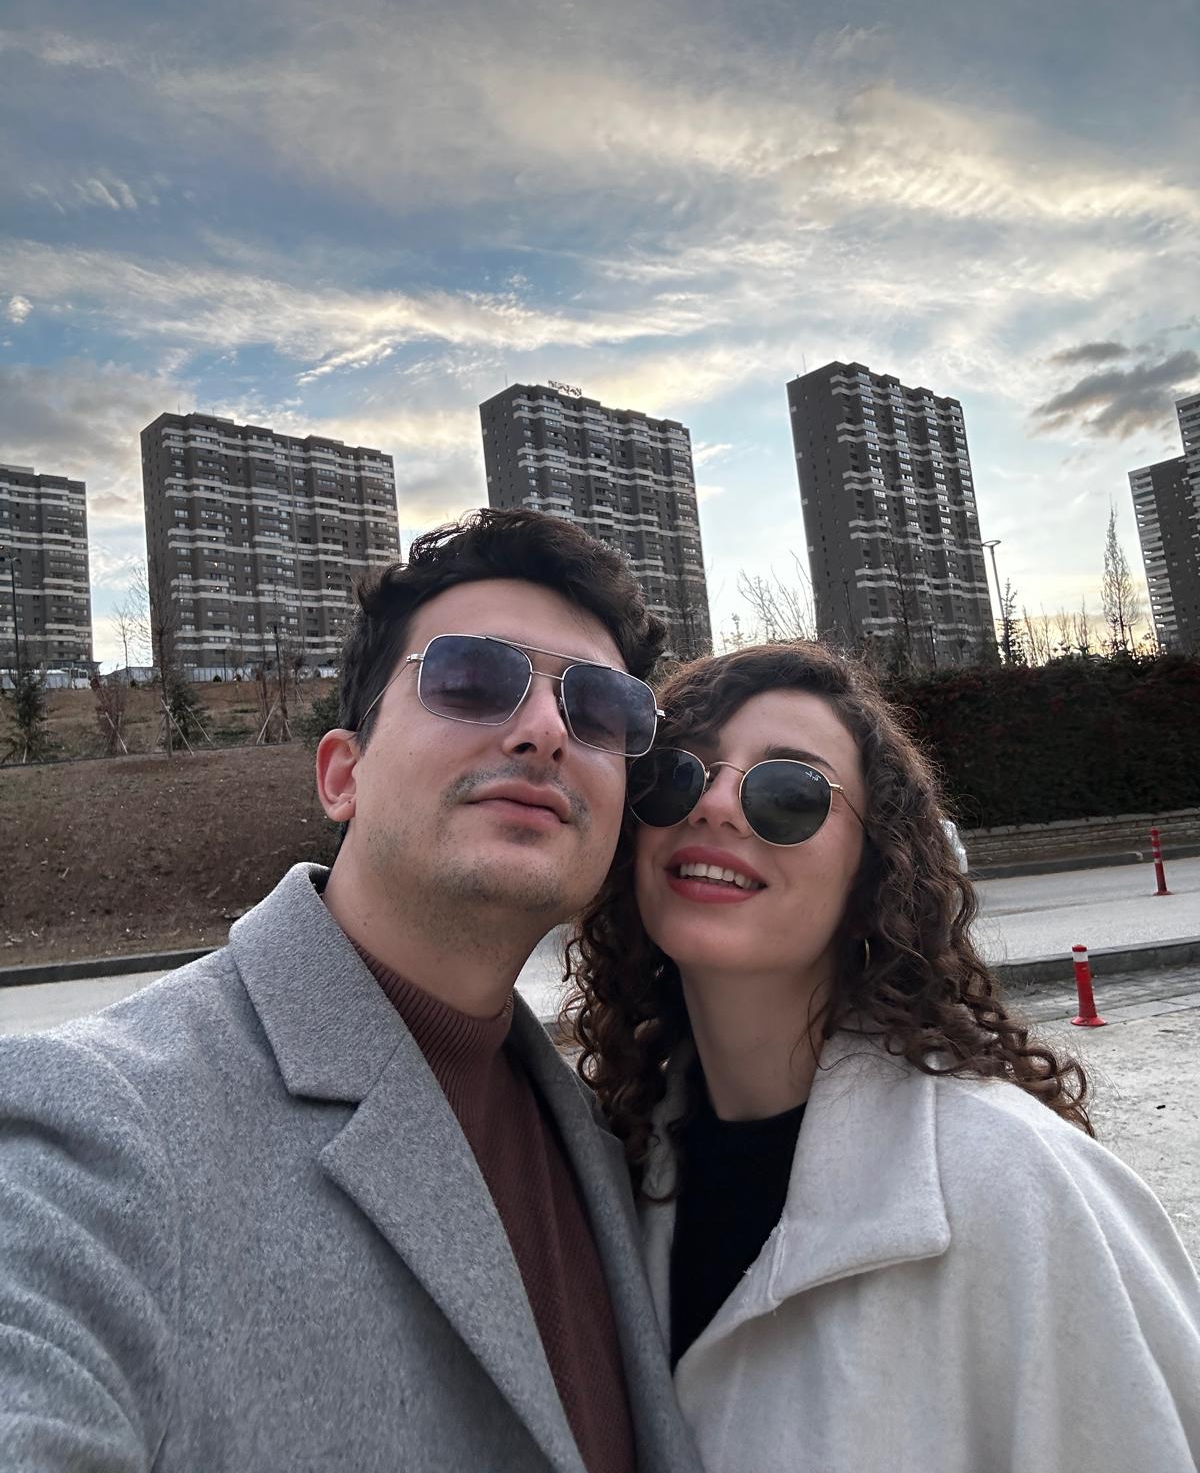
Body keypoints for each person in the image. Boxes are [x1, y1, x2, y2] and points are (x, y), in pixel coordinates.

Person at [0, 509, 699, 1473]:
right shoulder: (100, 1131)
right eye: (470, 679)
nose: (544, 730)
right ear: (343, 775)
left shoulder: (608, 1143)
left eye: (601, 709)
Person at [567, 641, 1200, 1473]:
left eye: (788, 792)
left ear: (877, 871)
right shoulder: (606, 1175)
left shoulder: (1018, 1187)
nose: (716, 804)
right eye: (678, 774)